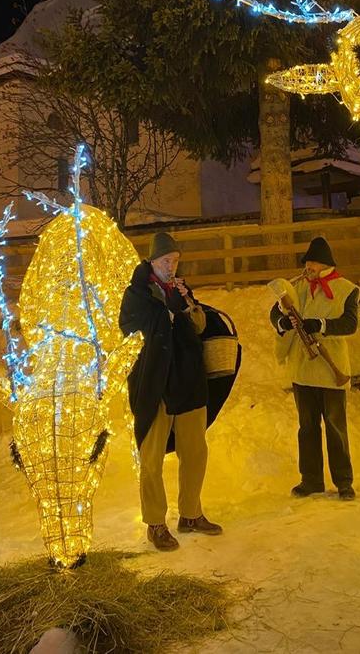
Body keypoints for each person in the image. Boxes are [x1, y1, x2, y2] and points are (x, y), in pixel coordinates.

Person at [119, 231, 224, 551]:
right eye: (167, 260)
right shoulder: (136, 293)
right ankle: (155, 523)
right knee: (151, 459)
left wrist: (188, 307)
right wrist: (167, 312)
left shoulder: (181, 289)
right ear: (152, 261)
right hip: (155, 385)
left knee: (195, 452)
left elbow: (200, 327)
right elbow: (130, 329)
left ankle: (191, 514)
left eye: (176, 260)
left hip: (189, 381)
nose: (172, 266)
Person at [270, 236, 359, 501]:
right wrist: (282, 324)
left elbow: (349, 324)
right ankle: (310, 480)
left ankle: (343, 482)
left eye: (312, 262)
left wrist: (321, 325)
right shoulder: (296, 287)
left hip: (331, 372)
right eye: (306, 262)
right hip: (303, 370)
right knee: (306, 427)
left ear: (324, 264)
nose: (307, 267)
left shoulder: (347, 289)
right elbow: (274, 313)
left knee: (335, 427)